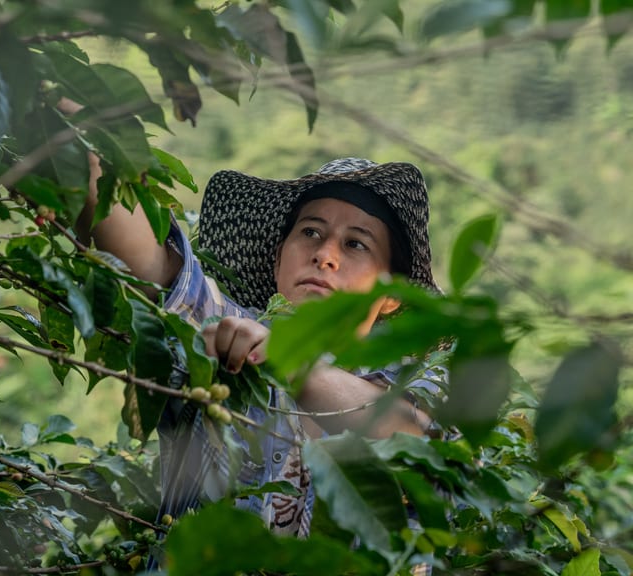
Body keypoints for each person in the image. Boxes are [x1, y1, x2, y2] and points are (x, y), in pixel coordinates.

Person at [76, 155, 444, 562]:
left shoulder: (421, 382)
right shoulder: (226, 333)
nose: (325, 255)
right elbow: (152, 270)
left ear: (391, 294)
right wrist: (74, 143)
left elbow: (422, 443)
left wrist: (288, 360)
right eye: (310, 232)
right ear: (278, 259)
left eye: (355, 243)